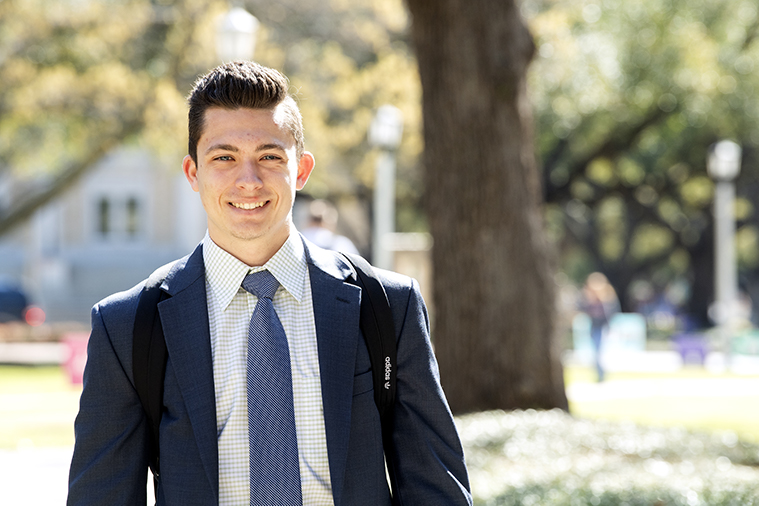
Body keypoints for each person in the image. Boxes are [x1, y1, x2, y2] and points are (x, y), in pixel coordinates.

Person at [67, 61, 472, 505]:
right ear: (193, 173)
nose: (248, 180)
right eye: (224, 157)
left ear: (301, 170)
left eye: (269, 156)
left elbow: (437, 489)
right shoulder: (127, 325)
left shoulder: (386, 307)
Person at [580, 272, 620, 382]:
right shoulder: (589, 298)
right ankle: (600, 373)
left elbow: (612, 312)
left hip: (603, 327)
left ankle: (601, 373)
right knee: (595, 351)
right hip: (594, 326)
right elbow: (583, 309)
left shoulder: (607, 297)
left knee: (600, 352)